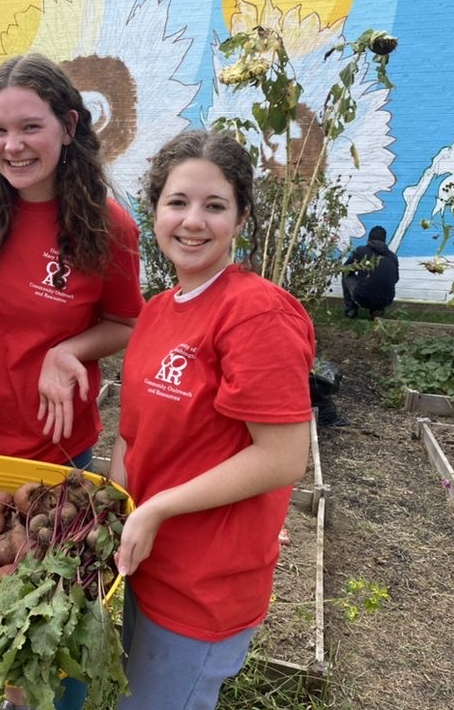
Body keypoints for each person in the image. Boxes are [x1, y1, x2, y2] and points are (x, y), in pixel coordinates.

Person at [0, 53, 145, 710]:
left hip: (55, 444)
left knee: (49, 615)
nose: (11, 147)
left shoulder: (109, 225)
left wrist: (67, 349)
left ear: (69, 124)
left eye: (29, 128)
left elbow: (124, 322)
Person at [109, 129, 315, 710]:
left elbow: (281, 457)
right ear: (155, 211)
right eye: (177, 202)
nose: (193, 221)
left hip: (202, 587)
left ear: (241, 216)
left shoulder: (255, 313)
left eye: (214, 205)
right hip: (143, 563)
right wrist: (113, 514)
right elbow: (134, 436)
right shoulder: (155, 312)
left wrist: (157, 508)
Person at [342, 225, 399, 319]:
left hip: (362, 298)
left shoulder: (361, 251)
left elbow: (346, 268)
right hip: (386, 300)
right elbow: (395, 279)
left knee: (346, 274)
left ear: (369, 239)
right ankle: (377, 310)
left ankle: (351, 309)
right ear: (385, 241)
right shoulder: (392, 256)